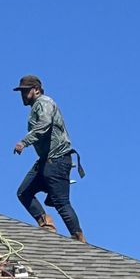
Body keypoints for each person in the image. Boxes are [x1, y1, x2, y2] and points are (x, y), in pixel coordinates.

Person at [13, 74, 86, 243]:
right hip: (46, 161)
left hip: (57, 160)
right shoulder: (36, 106)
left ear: (36, 90)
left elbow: (44, 125)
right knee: (24, 192)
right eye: (21, 92)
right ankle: (46, 224)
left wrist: (24, 142)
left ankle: (79, 239)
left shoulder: (44, 103)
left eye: (25, 91)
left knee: (61, 202)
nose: (22, 95)